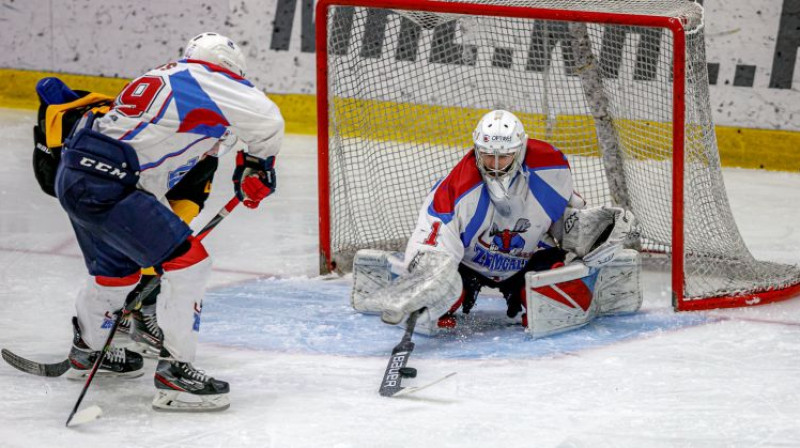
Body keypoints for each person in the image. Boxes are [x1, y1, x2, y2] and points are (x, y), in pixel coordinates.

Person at [54, 32, 284, 412]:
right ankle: (176, 374)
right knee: (191, 264)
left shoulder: (165, 75)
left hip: (78, 175)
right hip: (112, 186)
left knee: (116, 276)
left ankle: (88, 351)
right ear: (231, 68)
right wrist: (258, 165)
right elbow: (268, 120)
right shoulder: (210, 79)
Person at [351, 110, 640, 336]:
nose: (495, 164)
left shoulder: (550, 169)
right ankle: (449, 296)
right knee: (440, 295)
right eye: (488, 155)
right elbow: (434, 244)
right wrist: (422, 282)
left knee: (558, 300)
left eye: (505, 156)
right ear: (476, 148)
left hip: (525, 263)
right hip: (468, 265)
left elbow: (559, 221)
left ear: (521, 149)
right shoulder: (456, 191)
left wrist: (589, 230)